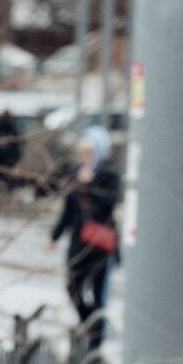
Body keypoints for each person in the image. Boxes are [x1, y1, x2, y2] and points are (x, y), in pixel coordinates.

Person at [48, 125, 120, 352]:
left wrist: (89, 185)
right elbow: (68, 209)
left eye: (89, 152)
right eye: (83, 152)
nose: (85, 157)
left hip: (100, 244)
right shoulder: (75, 172)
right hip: (79, 242)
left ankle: (96, 339)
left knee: (99, 292)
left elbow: (109, 203)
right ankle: (88, 322)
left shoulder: (109, 174)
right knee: (73, 286)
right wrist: (55, 235)